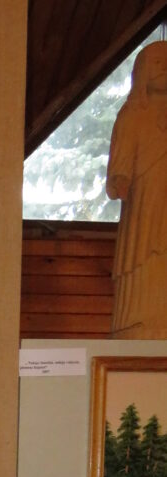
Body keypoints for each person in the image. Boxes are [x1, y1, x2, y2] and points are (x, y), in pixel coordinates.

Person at [106, 41, 167, 338]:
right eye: (157, 62)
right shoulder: (131, 114)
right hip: (144, 202)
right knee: (143, 255)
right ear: (141, 72)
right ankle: (137, 319)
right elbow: (121, 161)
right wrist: (120, 178)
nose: (164, 68)